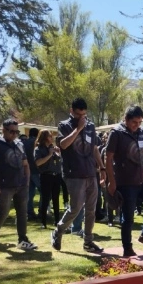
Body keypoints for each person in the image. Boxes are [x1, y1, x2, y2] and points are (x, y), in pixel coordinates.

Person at [50, 97, 106, 254]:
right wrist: (78, 128)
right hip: (73, 174)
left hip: (90, 172)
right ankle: (58, 231)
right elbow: (63, 145)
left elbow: (94, 148)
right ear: (71, 111)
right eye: (78, 114)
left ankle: (88, 241)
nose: (81, 117)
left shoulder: (91, 126)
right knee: (75, 208)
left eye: (84, 114)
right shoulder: (64, 125)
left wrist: (102, 168)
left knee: (91, 209)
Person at [105, 105, 143, 257]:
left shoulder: (142, 132)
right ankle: (127, 248)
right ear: (126, 119)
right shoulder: (116, 133)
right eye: (134, 122)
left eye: (140, 122)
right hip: (125, 181)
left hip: (142, 180)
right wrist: (111, 181)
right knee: (128, 217)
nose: (137, 125)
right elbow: (108, 158)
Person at [0, 119, 37, 251]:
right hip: (4, 186)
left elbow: (26, 164)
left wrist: (26, 181)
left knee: (22, 213)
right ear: (3, 130)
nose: (14, 134)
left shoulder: (19, 144)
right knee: (3, 212)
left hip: (21, 185)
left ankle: (22, 239)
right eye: (11, 131)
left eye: (16, 132)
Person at [34, 129, 62, 229]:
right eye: (50, 136)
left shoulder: (52, 148)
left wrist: (58, 153)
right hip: (46, 176)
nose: (52, 138)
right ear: (44, 137)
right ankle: (43, 222)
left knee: (56, 198)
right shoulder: (38, 149)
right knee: (45, 199)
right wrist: (49, 154)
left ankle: (57, 220)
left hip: (56, 175)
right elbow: (38, 163)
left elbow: (59, 161)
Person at [23, 127, 41, 221]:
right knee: (44, 192)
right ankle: (41, 211)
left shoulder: (24, 143)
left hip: (26, 170)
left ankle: (29, 212)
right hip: (36, 170)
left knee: (30, 193)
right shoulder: (37, 143)